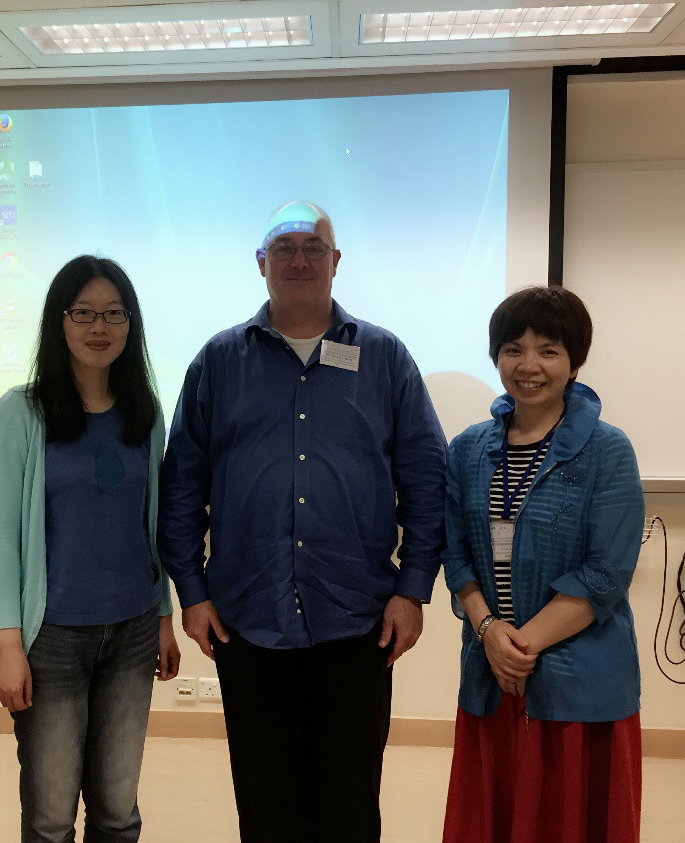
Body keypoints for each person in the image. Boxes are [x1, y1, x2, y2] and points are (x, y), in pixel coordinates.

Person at [159, 201, 447, 843]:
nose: (299, 261)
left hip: (358, 620)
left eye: (313, 247)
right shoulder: (218, 362)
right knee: (266, 805)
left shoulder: (384, 357)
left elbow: (427, 480)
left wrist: (413, 590)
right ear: (261, 263)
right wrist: (192, 593)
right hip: (246, 619)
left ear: (335, 261)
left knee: (349, 806)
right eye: (283, 249)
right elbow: (182, 485)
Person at [441, 286, 645, 843]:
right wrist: (489, 632)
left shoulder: (608, 449)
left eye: (548, 350)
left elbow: (606, 573)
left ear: (574, 362)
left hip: (578, 682)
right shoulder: (467, 449)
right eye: (514, 349)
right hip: (491, 674)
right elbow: (455, 554)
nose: (529, 365)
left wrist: (519, 648)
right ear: (496, 357)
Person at [0, 255, 180, 842]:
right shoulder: (21, 411)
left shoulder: (144, 412)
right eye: (84, 313)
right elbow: (2, 538)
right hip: (51, 638)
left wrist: (164, 617)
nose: (100, 327)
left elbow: (152, 528)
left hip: (133, 630)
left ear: (130, 325)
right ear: (59, 321)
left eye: (114, 314)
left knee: (118, 812)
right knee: (50, 818)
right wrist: (8, 646)